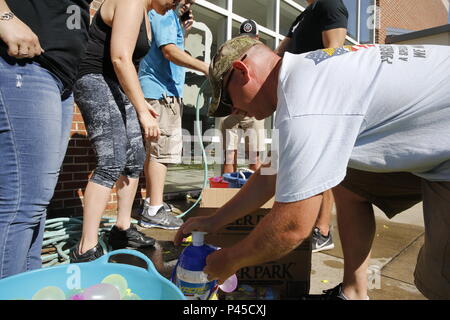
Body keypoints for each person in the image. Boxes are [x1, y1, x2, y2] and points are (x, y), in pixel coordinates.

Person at [175, 36, 450, 300]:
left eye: (228, 99)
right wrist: (213, 221)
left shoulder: (303, 106)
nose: (234, 110)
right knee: (348, 179)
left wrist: (230, 260)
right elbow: (270, 174)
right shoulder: (304, 72)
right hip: (435, 129)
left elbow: (291, 228)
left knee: (439, 279)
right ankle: (354, 293)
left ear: (241, 70)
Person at [69, 0, 181, 263]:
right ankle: (86, 248)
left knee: (134, 157)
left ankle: (121, 229)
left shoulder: (147, 13)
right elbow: (120, 57)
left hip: (116, 83)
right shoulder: (131, 1)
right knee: (112, 159)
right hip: (95, 77)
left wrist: (139, 102)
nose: (176, 3)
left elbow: (131, 62)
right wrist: (142, 109)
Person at [0, 0, 93, 279]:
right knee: (21, 203)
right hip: (26, 62)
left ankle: (28, 289)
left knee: (36, 204)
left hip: (60, 77)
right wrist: (3, 15)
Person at [275, 0, 348, 253]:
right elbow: (281, 52)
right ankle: (294, 221)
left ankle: (323, 230)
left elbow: (334, 53)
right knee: (297, 164)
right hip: (297, 101)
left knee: (323, 166)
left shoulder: (330, 5)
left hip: (319, 101)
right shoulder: (304, 15)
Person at [138, 0, 209, 230]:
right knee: (161, 152)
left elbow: (171, 47)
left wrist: (183, 31)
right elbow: (169, 52)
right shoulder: (164, 13)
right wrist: (206, 68)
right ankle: (154, 210)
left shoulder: (170, 17)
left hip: (163, 90)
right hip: (161, 91)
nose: (188, 3)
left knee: (156, 150)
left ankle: (152, 203)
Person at [219, 19, 266, 175]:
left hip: (253, 112)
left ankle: (253, 196)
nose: (247, 42)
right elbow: (219, 81)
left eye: (250, 38)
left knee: (254, 158)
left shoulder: (264, 57)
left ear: (257, 37)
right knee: (229, 156)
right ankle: (226, 194)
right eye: (244, 38)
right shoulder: (229, 55)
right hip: (232, 111)